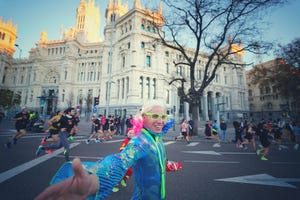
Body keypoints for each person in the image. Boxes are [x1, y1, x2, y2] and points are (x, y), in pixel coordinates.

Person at [35, 104, 176, 200]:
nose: (160, 121)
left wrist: (164, 164)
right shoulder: (140, 142)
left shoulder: (155, 137)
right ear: (143, 117)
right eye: (155, 116)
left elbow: (152, 159)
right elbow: (119, 162)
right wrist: (93, 181)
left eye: (163, 117)